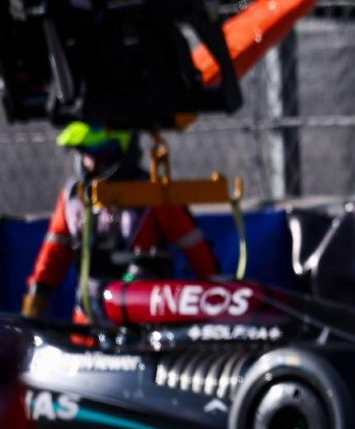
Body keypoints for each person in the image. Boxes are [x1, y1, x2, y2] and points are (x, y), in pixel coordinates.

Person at [22, 122, 220, 322]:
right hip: (88, 316)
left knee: (136, 274)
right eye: (87, 156)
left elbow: (198, 252)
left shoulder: (153, 193)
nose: (92, 165)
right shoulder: (73, 196)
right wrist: (37, 295)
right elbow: (54, 252)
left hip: (142, 313)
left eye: (101, 157)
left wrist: (217, 297)